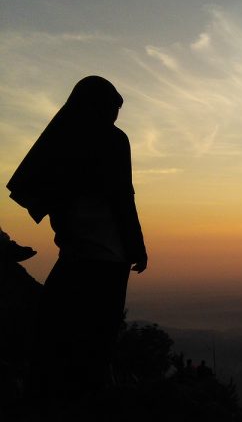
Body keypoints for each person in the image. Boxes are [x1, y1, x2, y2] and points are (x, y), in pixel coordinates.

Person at [6, 76, 147, 410]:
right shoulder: (113, 141)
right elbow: (123, 197)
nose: (115, 116)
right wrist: (137, 245)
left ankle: (52, 393)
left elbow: (39, 190)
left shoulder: (64, 138)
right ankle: (83, 396)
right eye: (113, 108)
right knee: (97, 330)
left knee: (60, 326)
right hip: (108, 255)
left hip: (75, 251)